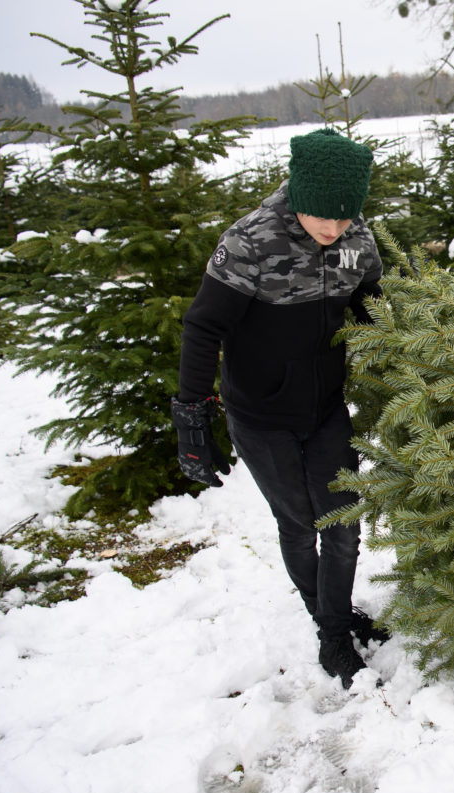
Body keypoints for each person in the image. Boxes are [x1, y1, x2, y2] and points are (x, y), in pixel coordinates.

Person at [172, 128, 388, 689]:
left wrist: (403, 361)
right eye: (324, 218)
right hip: (262, 416)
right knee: (298, 524)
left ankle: (335, 627)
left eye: (344, 219)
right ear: (299, 194)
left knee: (342, 523)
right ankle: (330, 625)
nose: (334, 229)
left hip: (324, 408)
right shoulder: (251, 241)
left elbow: (371, 305)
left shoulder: (356, 237)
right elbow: (203, 327)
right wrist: (191, 417)